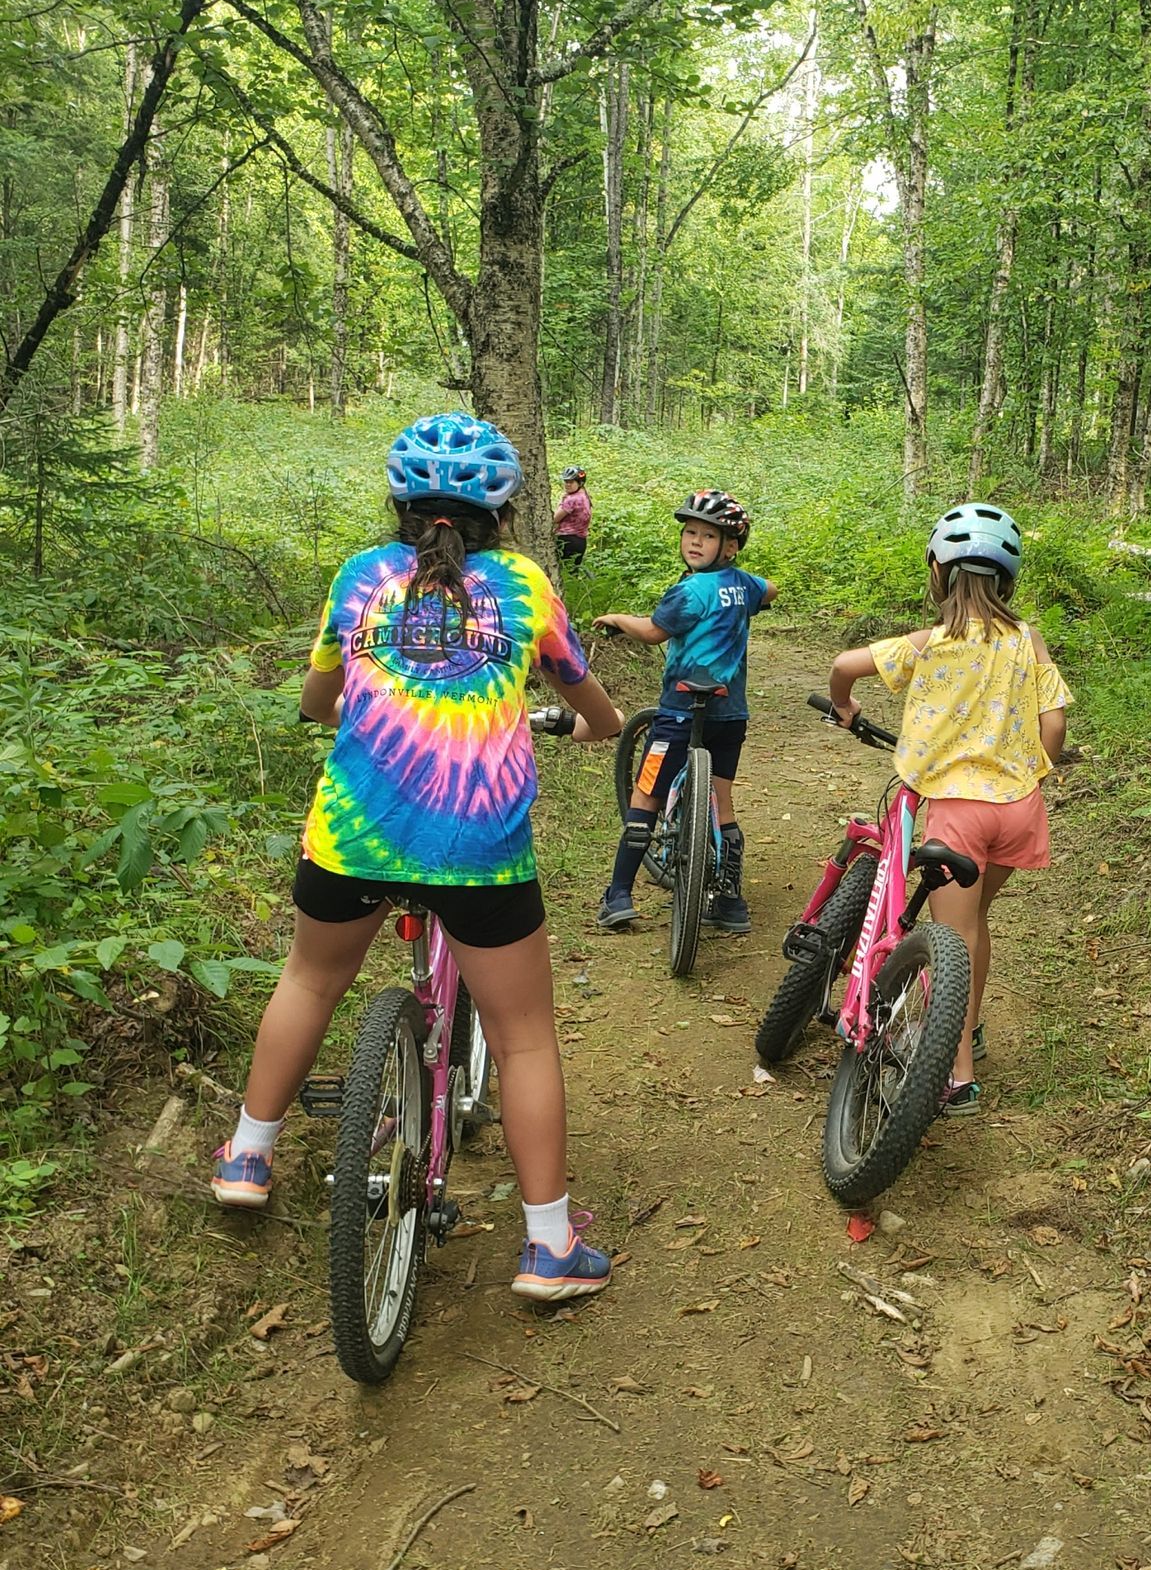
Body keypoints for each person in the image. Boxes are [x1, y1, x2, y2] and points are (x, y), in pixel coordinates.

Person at [208, 413, 627, 1303]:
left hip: (354, 838)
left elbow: (319, 701)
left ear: (398, 504)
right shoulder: (523, 586)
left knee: (309, 983)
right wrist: (595, 728)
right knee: (523, 1037)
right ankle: (549, 1247)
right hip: (479, 849)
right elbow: (595, 707)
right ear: (503, 514)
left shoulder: (360, 578)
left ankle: (247, 1155)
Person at [826, 503, 1071, 1116]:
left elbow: (843, 667)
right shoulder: (1028, 639)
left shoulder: (928, 643)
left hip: (958, 811)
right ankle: (970, 1029)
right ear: (1008, 579)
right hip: (1020, 807)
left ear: (937, 570)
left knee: (950, 936)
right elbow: (1055, 724)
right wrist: (1027, 769)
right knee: (972, 925)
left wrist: (845, 707)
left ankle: (955, 1072)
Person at [593, 490, 774, 935]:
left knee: (647, 795)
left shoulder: (689, 591)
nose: (694, 541)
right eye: (690, 533)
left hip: (678, 712)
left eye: (706, 535)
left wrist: (617, 618)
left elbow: (654, 632)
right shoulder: (745, 585)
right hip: (730, 715)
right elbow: (769, 589)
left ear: (728, 545)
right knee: (722, 803)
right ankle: (731, 902)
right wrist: (757, 600)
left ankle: (618, 894)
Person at [554, 465, 592, 570]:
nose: (567, 485)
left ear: (580, 483)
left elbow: (555, 518)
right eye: (566, 482)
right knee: (572, 573)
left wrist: (561, 501)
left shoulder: (572, 499)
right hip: (580, 541)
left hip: (567, 540)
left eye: (571, 482)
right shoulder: (584, 495)